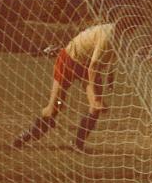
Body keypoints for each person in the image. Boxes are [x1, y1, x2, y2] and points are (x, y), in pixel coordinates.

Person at [13, 22, 117, 152]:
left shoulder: (120, 37)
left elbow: (107, 58)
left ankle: (77, 144)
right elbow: (94, 66)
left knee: (95, 108)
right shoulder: (107, 34)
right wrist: (96, 95)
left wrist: (108, 80)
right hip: (70, 60)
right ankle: (26, 136)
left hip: (86, 66)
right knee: (56, 106)